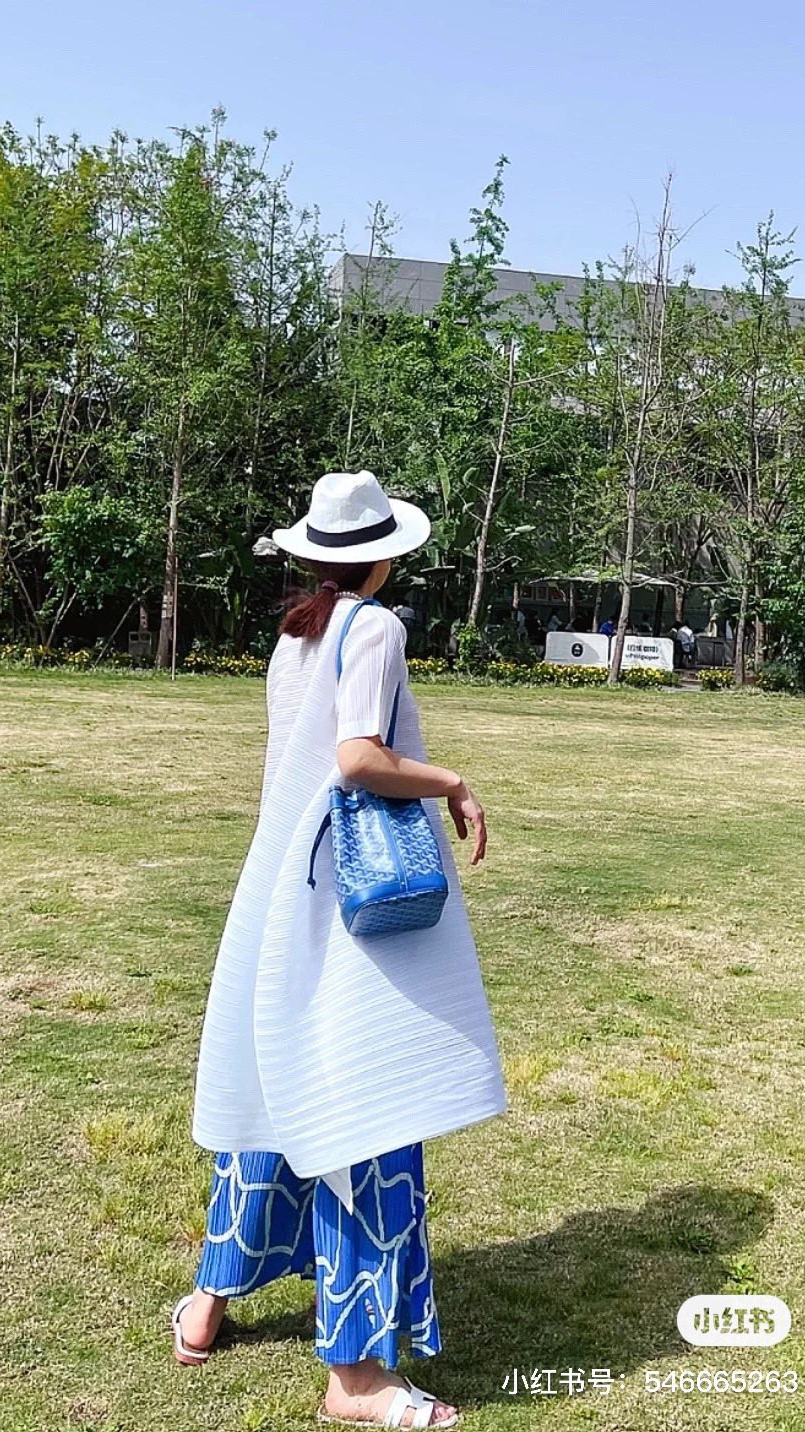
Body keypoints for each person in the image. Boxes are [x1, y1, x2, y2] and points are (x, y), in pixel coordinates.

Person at [176, 471, 507, 1429]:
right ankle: (356, 1378)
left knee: (278, 1091)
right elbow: (359, 758)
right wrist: (452, 780)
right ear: (386, 555)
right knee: (369, 1106)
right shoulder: (378, 628)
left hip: (283, 883)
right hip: (346, 905)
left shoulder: (298, 636)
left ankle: (207, 1306)